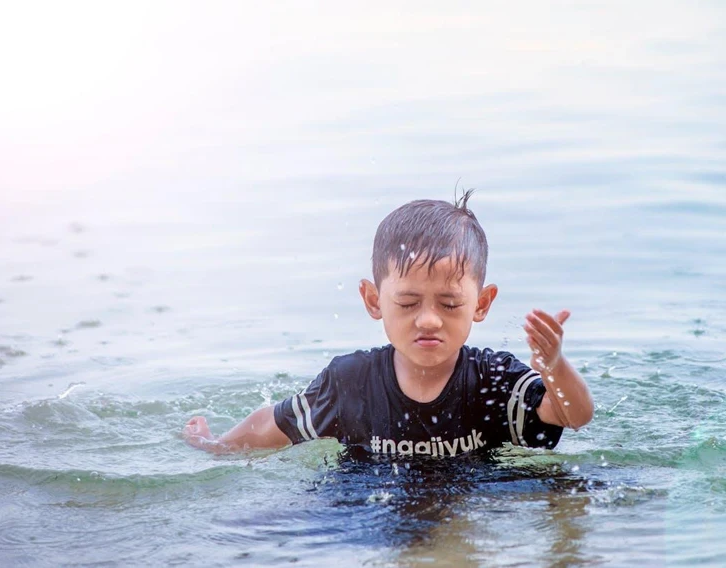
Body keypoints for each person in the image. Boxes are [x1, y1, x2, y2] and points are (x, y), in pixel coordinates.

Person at [182, 191, 594, 457]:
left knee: (581, 493)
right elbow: (273, 423)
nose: (429, 319)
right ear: (373, 300)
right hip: (368, 501)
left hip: (476, 491)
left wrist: (554, 365)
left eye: (450, 304)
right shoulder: (351, 381)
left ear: (481, 304)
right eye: (408, 302)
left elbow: (572, 415)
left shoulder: (492, 379)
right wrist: (212, 444)